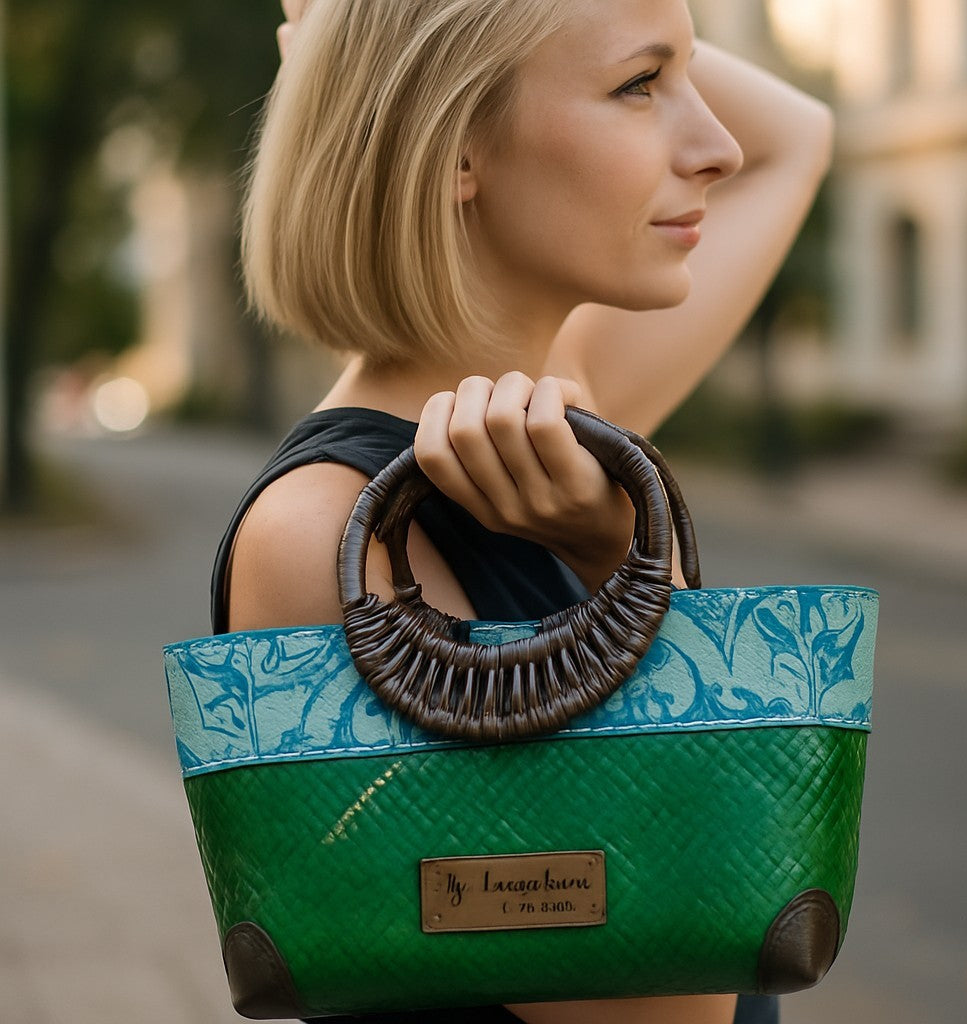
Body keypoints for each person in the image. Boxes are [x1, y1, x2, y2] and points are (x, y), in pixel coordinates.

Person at [216, 1, 834, 1021]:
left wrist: (366, 31)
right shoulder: (334, 543)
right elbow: (671, 1009)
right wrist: (629, 575)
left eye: (687, 74)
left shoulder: (570, 390)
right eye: (640, 86)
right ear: (454, 145)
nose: (715, 144)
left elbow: (795, 137)